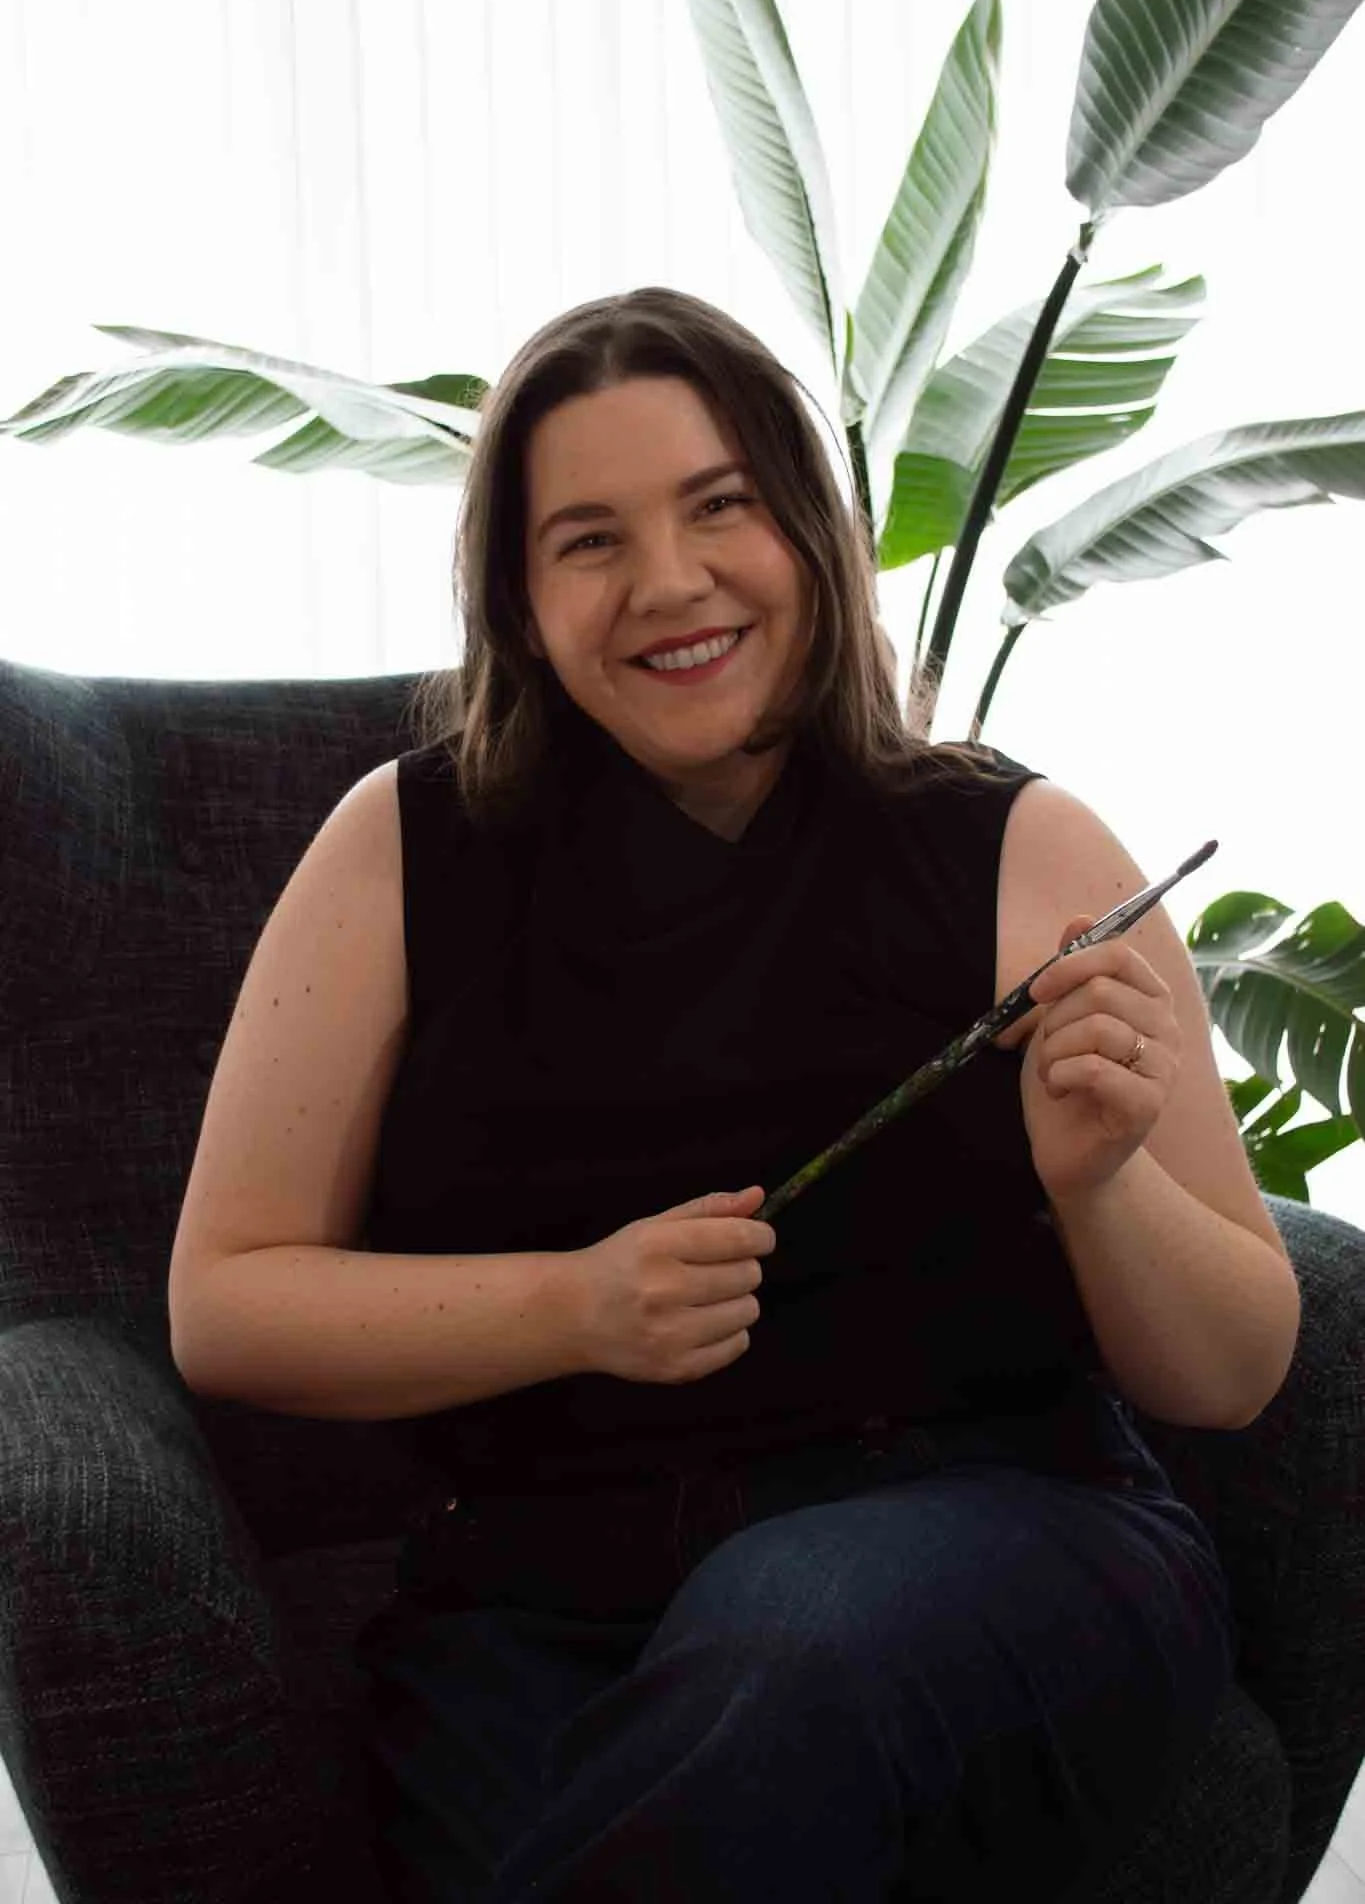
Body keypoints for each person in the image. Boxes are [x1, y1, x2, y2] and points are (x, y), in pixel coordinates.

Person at [167, 286, 1301, 1904]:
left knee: (786, 1657)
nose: (672, 584)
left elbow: (1240, 1369)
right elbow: (227, 1306)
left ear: (809, 533)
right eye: (588, 540)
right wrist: (573, 1308)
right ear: (518, 597)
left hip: (997, 1537)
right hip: (541, 1598)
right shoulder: (392, 850)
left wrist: (1101, 1182)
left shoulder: (1024, 846)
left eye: (722, 507)